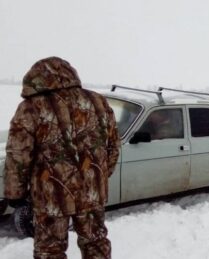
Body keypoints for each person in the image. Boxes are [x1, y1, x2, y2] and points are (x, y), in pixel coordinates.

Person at [3, 57, 121, 258]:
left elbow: (18, 155)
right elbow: (113, 145)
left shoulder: (31, 108)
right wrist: (98, 176)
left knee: (50, 250)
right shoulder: (97, 101)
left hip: (51, 195)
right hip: (92, 193)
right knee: (96, 243)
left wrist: (15, 194)